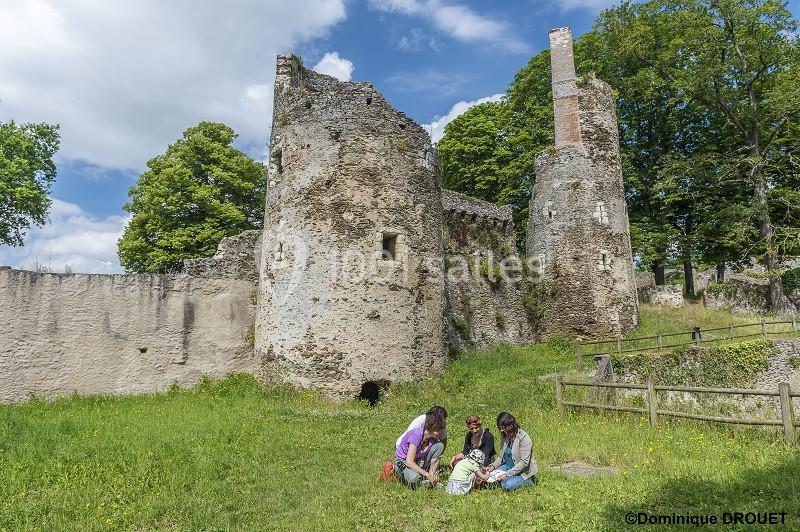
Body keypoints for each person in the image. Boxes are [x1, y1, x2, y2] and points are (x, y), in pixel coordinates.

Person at [484, 412, 537, 491]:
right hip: (507, 467)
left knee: (507, 485)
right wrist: (492, 467)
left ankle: (529, 481)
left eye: (504, 428)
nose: (502, 430)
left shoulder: (523, 437)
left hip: (523, 472)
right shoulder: (504, 436)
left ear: (511, 425)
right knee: (488, 476)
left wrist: (507, 474)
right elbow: (500, 457)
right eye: (500, 428)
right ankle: (505, 480)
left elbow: (524, 462)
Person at [394, 411, 445, 488]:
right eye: (438, 430)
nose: (440, 432)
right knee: (414, 478)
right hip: (403, 461)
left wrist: (432, 475)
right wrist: (426, 474)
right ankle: (400, 472)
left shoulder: (433, 439)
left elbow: (435, 460)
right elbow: (409, 462)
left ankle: (430, 480)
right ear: (432, 428)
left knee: (440, 445)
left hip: (418, 460)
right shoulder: (416, 435)